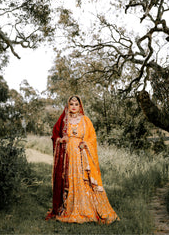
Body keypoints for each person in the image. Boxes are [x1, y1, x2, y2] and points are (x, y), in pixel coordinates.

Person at [46, 95, 120, 224]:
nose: (74, 106)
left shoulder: (85, 120)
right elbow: (55, 135)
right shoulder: (64, 120)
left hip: (81, 155)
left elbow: (92, 138)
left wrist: (85, 143)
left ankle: (87, 208)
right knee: (69, 180)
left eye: (76, 104)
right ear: (68, 106)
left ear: (80, 106)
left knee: (83, 180)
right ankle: (68, 208)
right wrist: (61, 140)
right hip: (68, 156)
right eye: (71, 104)